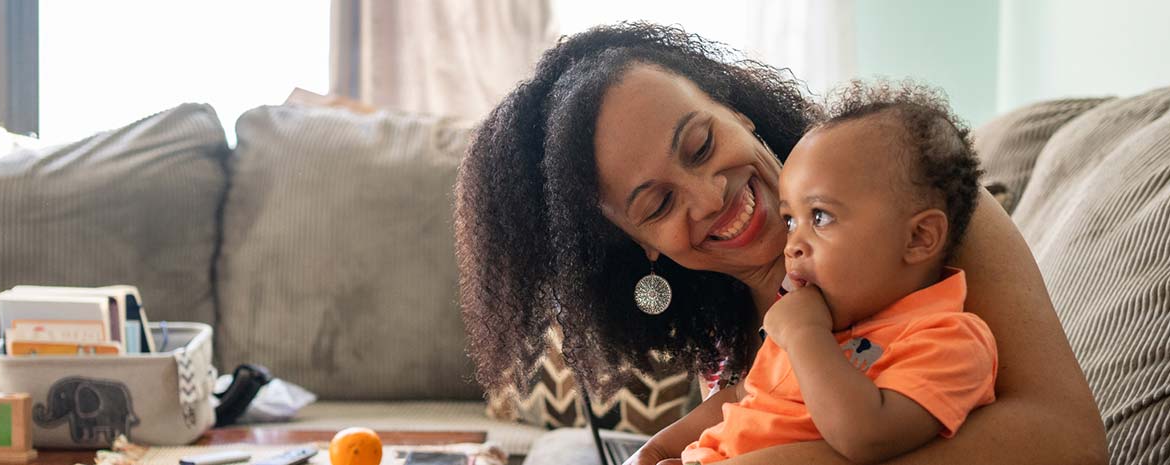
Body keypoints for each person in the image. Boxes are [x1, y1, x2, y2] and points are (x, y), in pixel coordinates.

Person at [454, 22, 1106, 465]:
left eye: (702, 144)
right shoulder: (720, 290)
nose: (708, 197)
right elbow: (762, 395)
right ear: (640, 244)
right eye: (657, 203)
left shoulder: (905, 201)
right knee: (568, 449)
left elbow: (1071, 441)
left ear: (736, 109)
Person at [678, 80, 995, 465]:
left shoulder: (951, 341)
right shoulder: (818, 319)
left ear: (918, 238)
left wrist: (804, 335)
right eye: (790, 219)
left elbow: (866, 437)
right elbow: (747, 406)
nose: (792, 243)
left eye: (821, 216)